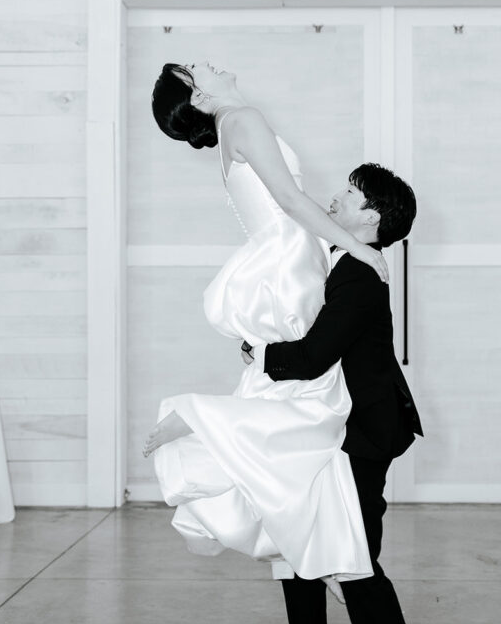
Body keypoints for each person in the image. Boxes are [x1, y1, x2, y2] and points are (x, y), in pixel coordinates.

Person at [143, 61, 388, 587]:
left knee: (298, 395)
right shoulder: (244, 118)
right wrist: (357, 249)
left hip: (284, 258)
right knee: (313, 399)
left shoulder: (233, 126)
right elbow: (290, 200)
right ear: (198, 95)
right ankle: (202, 418)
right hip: (289, 261)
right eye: (195, 69)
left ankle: (301, 540)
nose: (209, 65)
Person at [244, 163, 445, 624]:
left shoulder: (360, 272)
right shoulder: (343, 260)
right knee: (298, 544)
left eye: (351, 194)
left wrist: (259, 353)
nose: (336, 196)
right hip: (333, 429)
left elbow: (313, 356)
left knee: (354, 562)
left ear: (372, 217)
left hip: (363, 436)